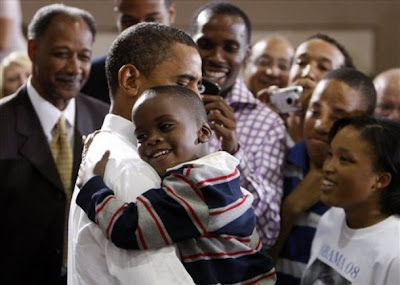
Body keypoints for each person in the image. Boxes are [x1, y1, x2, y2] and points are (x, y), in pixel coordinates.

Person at [77, 85, 277, 285]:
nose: (152, 140)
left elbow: (130, 228)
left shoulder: (199, 186)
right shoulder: (218, 172)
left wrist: (92, 187)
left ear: (203, 133)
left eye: (165, 126)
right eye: (141, 136)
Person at [68, 22, 203, 284]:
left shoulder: (109, 149)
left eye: (199, 87)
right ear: (130, 80)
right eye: (183, 83)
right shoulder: (132, 166)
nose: (196, 98)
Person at [0, 4, 109, 285]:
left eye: (83, 56)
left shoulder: (105, 120)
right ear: (33, 50)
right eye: (62, 54)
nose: (74, 68)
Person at [189, 1, 287, 250]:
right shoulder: (160, 105)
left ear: (247, 53)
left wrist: (233, 153)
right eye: (205, 45)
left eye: (230, 47)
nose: (216, 57)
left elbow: (268, 228)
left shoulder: (268, 123)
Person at [270, 68, 377, 285]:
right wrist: (290, 209)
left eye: (338, 117)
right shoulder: (282, 163)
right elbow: (257, 263)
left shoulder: (366, 188)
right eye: (314, 111)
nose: (320, 125)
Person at [302, 116, 400, 285]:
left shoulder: (394, 254)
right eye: (330, 154)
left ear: (381, 179)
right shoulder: (331, 219)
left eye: (345, 160)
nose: (328, 167)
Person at [258, 33, 355, 145]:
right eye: (301, 63)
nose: (307, 73)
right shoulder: (269, 125)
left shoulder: (339, 140)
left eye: (323, 67)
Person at [82, 0, 176, 104]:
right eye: (129, 21)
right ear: (118, 19)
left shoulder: (190, 72)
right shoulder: (90, 77)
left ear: (171, 14)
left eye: (151, 20)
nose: (140, 30)